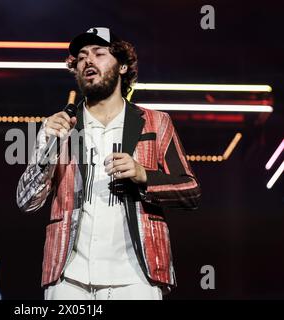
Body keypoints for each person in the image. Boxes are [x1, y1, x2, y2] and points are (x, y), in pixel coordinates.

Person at [16, 27, 201, 300]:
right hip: (68, 278)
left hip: (137, 277)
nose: (88, 60)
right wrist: (49, 149)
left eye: (99, 53)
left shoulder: (157, 122)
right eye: (81, 57)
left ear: (123, 66)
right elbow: (26, 201)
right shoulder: (57, 126)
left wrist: (143, 175)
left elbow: (191, 191)